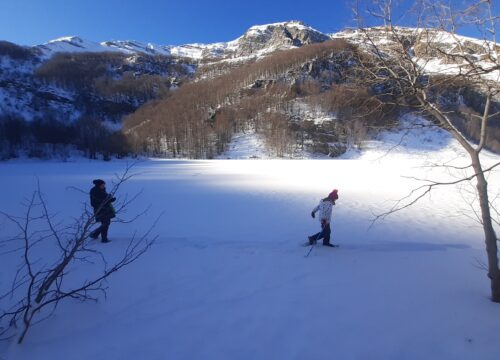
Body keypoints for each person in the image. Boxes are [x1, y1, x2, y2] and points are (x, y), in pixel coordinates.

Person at [89, 179, 116, 243]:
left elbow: (106, 197)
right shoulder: (95, 191)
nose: (104, 186)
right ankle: (103, 239)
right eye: (103, 185)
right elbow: (95, 202)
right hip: (100, 210)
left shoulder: (101, 190)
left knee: (106, 223)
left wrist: (110, 199)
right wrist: (109, 200)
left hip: (106, 210)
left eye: (104, 184)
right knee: (105, 224)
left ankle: (95, 234)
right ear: (99, 185)